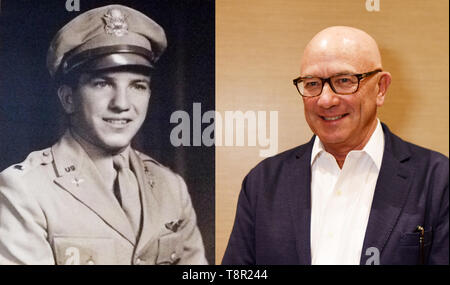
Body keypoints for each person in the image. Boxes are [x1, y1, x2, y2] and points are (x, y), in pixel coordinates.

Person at [222, 26, 449, 265]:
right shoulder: (263, 183)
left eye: (344, 81)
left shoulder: (437, 180)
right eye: (311, 84)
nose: (326, 100)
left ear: (380, 88)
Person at [0, 4, 206, 265]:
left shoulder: (171, 187)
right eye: (102, 83)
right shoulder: (25, 191)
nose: (122, 103)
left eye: (137, 86)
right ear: (68, 98)